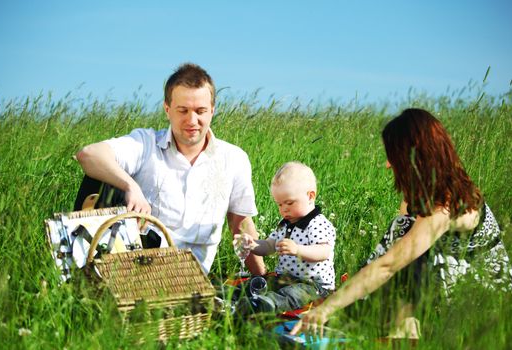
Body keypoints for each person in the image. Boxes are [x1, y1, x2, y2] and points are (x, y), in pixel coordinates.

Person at [291, 108, 512, 337]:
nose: (388, 164)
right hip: (436, 276)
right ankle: (398, 318)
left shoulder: (445, 205)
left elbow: (389, 265)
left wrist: (327, 308)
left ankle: (405, 327)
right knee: (404, 228)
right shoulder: (424, 193)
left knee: (407, 243)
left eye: (393, 156)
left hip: (479, 293)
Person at [75, 63, 265, 275]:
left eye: (200, 111)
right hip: (138, 269)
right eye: (182, 110)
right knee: (99, 182)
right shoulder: (146, 144)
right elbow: (89, 155)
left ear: (212, 110)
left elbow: (241, 225)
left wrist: (263, 279)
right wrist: (130, 186)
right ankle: (85, 278)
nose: (192, 120)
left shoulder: (234, 158)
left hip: (193, 277)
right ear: (167, 109)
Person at [234, 161, 336, 313]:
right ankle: (233, 297)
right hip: (284, 278)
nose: (284, 209)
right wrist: (252, 245)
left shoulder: (317, 224)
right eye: (279, 204)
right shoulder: (286, 224)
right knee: (259, 282)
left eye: (289, 202)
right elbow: (269, 246)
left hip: (313, 285)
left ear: (310, 196)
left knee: (291, 295)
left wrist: (297, 250)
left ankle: (265, 304)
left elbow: (323, 252)